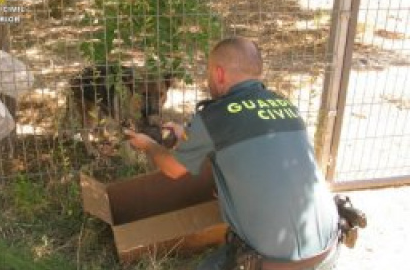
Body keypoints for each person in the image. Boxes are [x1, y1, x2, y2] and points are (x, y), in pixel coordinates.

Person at [125, 36, 340, 270]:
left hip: (277, 263)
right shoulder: (285, 106)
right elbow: (251, 151)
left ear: (218, 74)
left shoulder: (214, 117)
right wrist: (185, 134)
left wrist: (147, 144)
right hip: (329, 249)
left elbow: (172, 168)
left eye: (208, 73)